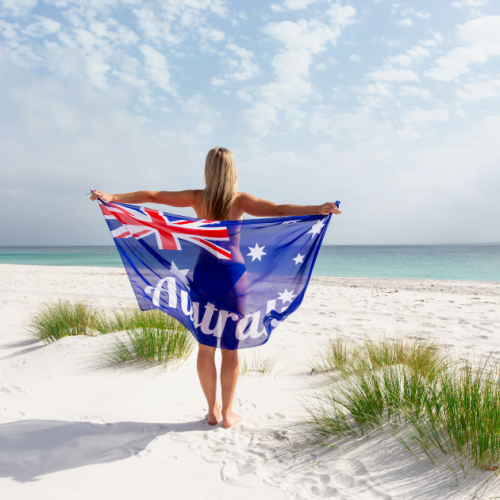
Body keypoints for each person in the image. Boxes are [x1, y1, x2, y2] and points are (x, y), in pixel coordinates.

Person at [90, 146, 341, 428]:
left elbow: (153, 196)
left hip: (205, 275)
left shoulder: (197, 198)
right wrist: (317, 209)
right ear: (233, 170)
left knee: (206, 347)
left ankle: (212, 411)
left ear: (208, 170)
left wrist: (112, 198)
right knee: (230, 350)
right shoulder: (240, 200)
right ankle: (228, 415)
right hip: (233, 278)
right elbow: (278, 210)